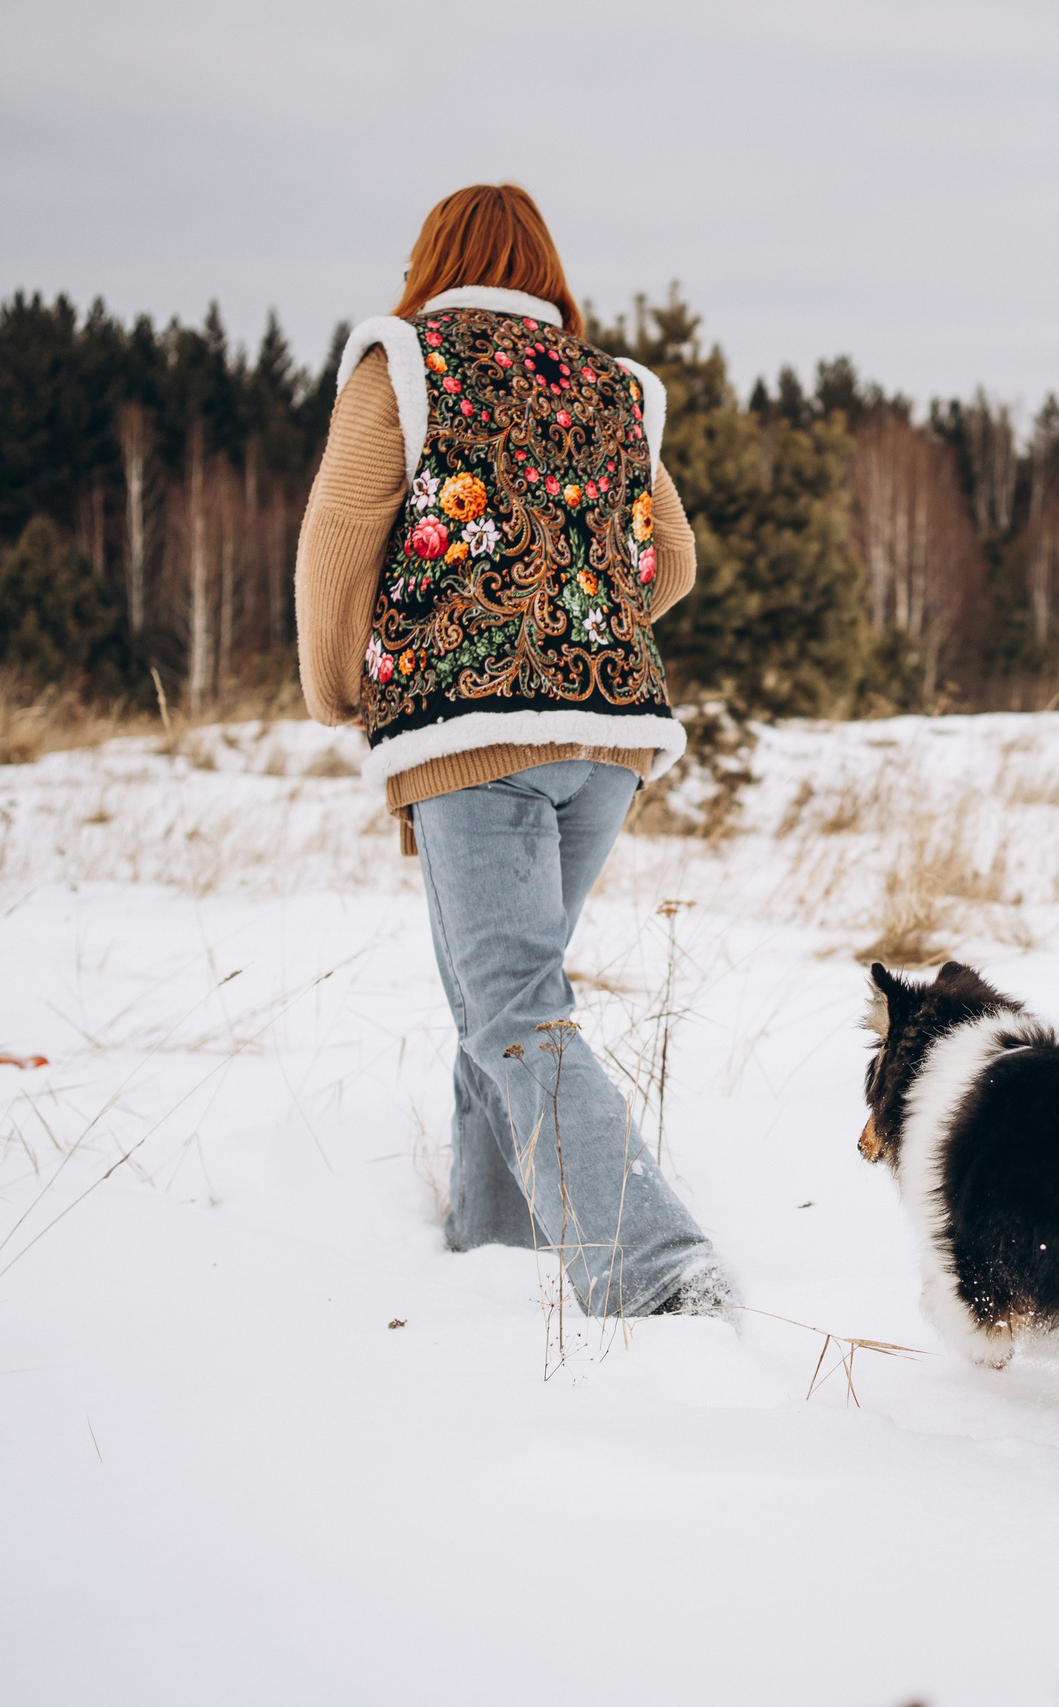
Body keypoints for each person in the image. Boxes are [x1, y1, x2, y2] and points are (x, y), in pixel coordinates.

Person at [294, 183, 733, 1320]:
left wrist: (340, 687)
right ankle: (496, 1240)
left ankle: (647, 1266)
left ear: (433, 258)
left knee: (514, 1007)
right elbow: (670, 563)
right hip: (611, 737)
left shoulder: (403, 360)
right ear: (543, 268)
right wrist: (578, 616)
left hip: (468, 730)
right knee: (495, 999)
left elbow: (340, 543)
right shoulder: (613, 386)